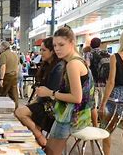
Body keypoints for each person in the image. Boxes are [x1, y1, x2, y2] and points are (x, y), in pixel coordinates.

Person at [36, 26, 94, 155]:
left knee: (50, 152)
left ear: (72, 43)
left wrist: (50, 93)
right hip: (75, 115)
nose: (57, 48)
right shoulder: (77, 61)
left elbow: (76, 97)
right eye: (55, 45)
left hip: (70, 117)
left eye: (61, 45)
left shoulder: (73, 64)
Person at [15, 37, 64, 147]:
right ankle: (39, 143)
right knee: (28, 120)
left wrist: (38, 98)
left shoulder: (59, 67)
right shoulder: (47, 65)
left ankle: (40, 137)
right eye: (40, 50)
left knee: (20, 113)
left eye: (43, 50)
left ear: (52, 51)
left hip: (52, 107)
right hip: (44, 103)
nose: (40, 53)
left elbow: (52, 93)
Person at [99, 28, 123, 155]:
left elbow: (111, 82)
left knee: (107, 130)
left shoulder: (115, 57)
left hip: (116, 96)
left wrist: (103, 103)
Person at [0, 41, 19, 108]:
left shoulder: (4, 54)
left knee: (0, 95)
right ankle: (16, 110)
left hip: (6, 77)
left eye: (0, 47)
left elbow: (3, 66)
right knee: (14, 96)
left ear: (3, 47)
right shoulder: (15, 54)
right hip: (14, 76)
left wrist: (1, 79)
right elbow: (17, 67)